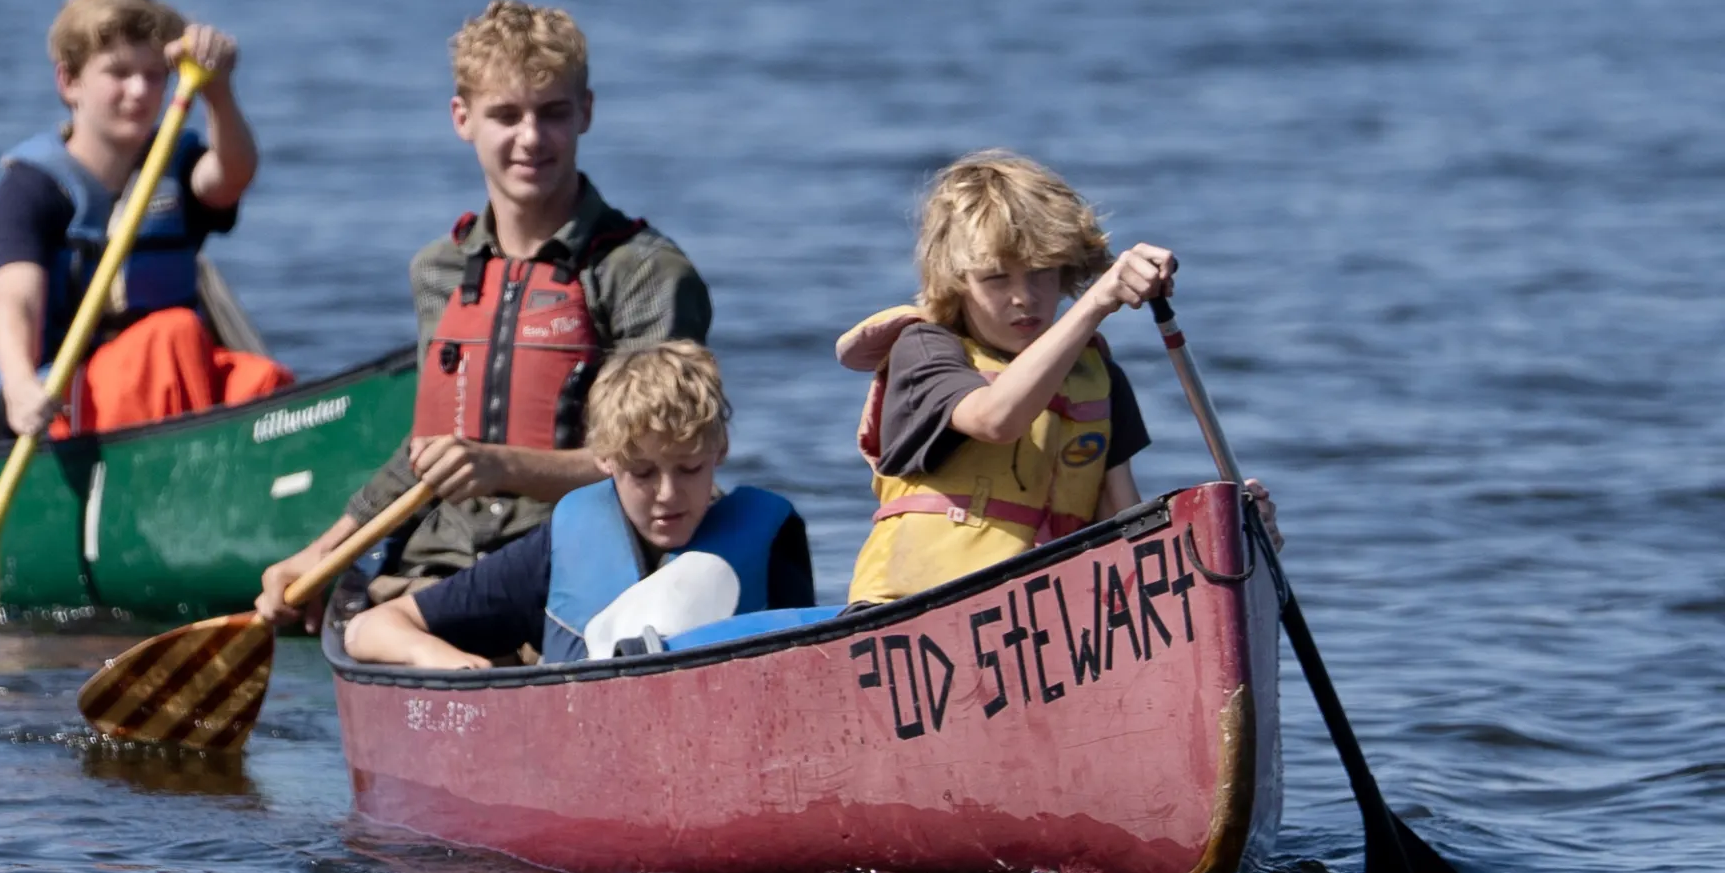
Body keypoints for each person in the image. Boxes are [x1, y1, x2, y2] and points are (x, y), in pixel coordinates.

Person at [255, 0, 711, 625]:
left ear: (586, 113)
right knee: (354, 610)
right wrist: (322, 554)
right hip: (438, 564)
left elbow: (657, 467)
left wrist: (503, 467)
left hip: (567, 568)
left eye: (552, 113)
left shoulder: (644, 273)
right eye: (506, 115)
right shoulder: (438, 271)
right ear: (462, 118)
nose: (531, 138)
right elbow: (424, 452)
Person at [337, 342, 814, 669]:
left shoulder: (767, 544)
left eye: (689, 469)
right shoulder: (560, 548)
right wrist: (446, 661)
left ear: (721, 451)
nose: (668, 494)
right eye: (643, 473)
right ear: (604, 459)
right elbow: (368, 630)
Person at [841, 150, 1172, 606]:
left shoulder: (1098, 376)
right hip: (912, 610)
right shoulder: (924, 350)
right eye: (996, 278)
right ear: (957, 282)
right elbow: (996, 419)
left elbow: (1126, 524)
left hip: (1045, 617)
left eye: (1041, 273)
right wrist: (1097, 304)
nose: (1024, 297)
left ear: (1066, 270)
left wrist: (1227, 533)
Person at [0, 0, 263, 438]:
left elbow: (232, 175)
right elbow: (17, 299)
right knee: (173, 334)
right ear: (68, 82)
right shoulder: (32, 188)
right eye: (119, 73)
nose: (140, 91)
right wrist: (18, 387)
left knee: (260, 382)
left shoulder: (177, 165)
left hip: (167, 378)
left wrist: (218, 92)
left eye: (155, 76)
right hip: (63, 394)